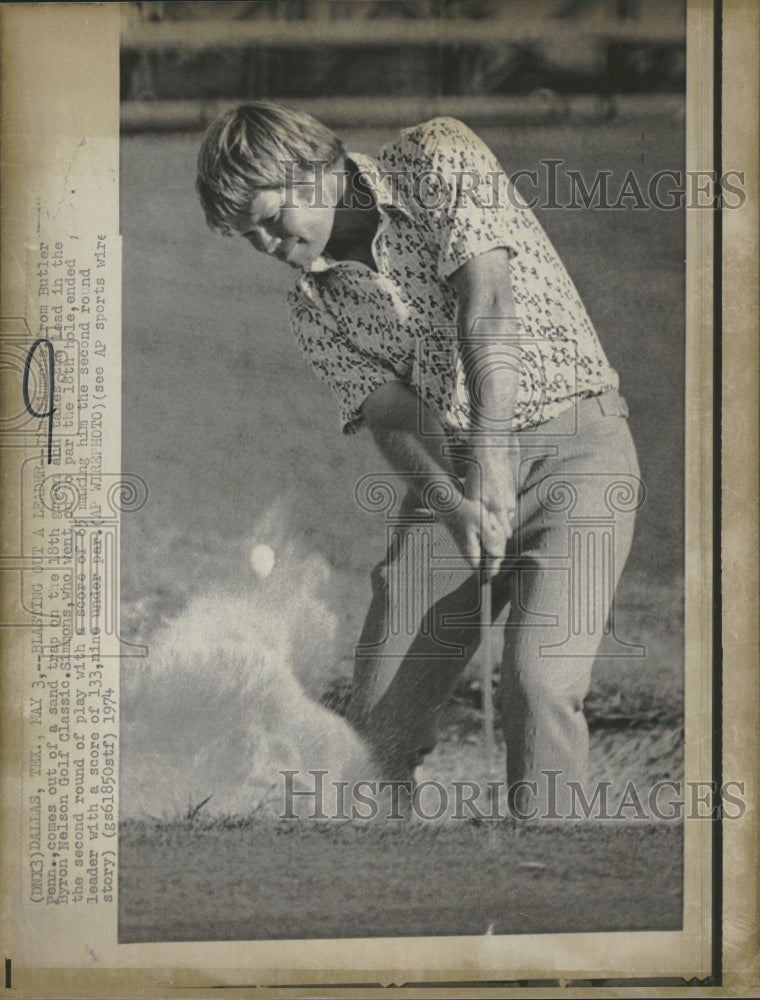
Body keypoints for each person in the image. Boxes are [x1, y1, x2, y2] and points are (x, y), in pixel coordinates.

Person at [196, 102, 641, 819]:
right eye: (248, 237)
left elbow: (489, 301)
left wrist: (493, 450)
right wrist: (453, 502)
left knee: (538, 681)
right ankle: (390, 889)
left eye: (272, 219)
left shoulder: (437, 154)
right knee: (378, 723)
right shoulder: (314, 306)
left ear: (315, 169)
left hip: (578, 453)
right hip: (458, 475)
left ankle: (549, 878)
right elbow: (392, 414)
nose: (269, 244)